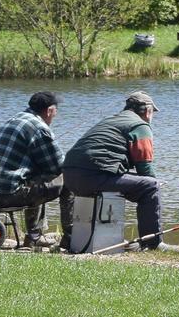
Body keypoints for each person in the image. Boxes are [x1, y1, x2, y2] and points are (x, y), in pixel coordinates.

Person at [63, 90, 162, 250]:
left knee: (142, 183)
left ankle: (70, 239)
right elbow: (144, 167)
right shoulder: (140, 126)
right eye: (153, 113)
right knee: (151, 186)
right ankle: (153, 244)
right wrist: (155, 183)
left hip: (70, 177)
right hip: (93, 177)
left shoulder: (111, 120)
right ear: (148, 111)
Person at [0, 92, 66, 248]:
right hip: (7, 195)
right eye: (55, 112)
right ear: (49, 111)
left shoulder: (14, 120)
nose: (55, 116)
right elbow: (58, 166)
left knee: (38, 177)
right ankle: (69, 237)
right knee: (69, 179)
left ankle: (35, 236)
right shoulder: (39, 127)